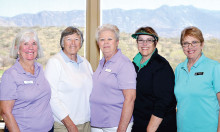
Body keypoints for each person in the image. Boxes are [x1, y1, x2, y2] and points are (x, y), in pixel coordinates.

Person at [0, 29, 54, 132]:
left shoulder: (40, 69)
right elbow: (5, 113)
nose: (30, 47)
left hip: (48, 129)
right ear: (17, 49)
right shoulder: (10, 75)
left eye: (34, 43)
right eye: (25, 44)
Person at [44, 26, 93, 132]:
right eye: (68, 39)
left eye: (76, 39)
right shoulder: (55, 63)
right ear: (62, 43)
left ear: (81, 42)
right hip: (65, 126)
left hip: (87, 124)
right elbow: (52, 97)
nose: (73, 43)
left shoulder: (85, 63)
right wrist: (70, 125)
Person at [90, 24, 136, 132]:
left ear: (117, 42)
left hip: (115, 125)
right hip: (97, 123)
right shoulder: (102, 63)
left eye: (110, 39)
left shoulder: (124, 64)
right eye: (102, 39)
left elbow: (130, 99)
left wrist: (122, 128)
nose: (106, 42)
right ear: (98, 43)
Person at [131, 26, 177, 132]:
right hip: (139, 123)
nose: (144, 44)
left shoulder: (161, 66)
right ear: (137, 42)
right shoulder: (134, 64)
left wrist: (150, 129)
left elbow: (164, 102)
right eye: (141, 40)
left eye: (149, 40)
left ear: (155, 43)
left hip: (157, 126)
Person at [174, 26, 220, 132]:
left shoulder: (214, 67)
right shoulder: (179, 69)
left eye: (194, 42)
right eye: (185, 43)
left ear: (202, 44)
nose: (190, 47)